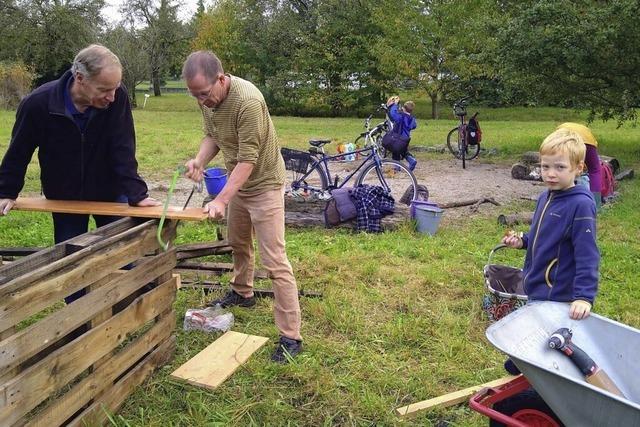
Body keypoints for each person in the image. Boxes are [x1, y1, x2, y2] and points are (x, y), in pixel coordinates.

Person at [0, 44, 159, 301]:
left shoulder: (115, 101)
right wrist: (6, 191)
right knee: (71, 264)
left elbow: (123, 147)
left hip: (109, 190)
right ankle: (78, 326)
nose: (112, 96)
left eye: (116, 88)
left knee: (124, 254)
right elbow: (19, 149)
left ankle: (130, 310)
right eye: (104, 89)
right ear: (80, 78)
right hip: (65, 195)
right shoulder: (39, 104)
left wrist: (136, 193)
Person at [181, 51, 302, 363]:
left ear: (221, 80)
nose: (200, 102)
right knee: (238, 243)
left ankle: (291, 336)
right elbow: (213, 136)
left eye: (204, 94)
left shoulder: (248, 102)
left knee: (275, 261)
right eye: (194, 96)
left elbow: (248, 159)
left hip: (263, 185)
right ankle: (242, 292)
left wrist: (221, 198)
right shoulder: (208, 100)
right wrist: (199, 160)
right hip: (239, 185)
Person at [502, 127, 599, 320]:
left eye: (560, 167)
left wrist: (584, 297)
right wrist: (523, 241)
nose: (551, 174)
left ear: (578, 168)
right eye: (545, 167)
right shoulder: (545, 197)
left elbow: (587, 254)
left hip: (558, 294)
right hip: (536, 287)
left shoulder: (581, 205)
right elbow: (543, 238)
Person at [557, 122, 603, 209]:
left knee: (563, 167)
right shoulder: (588, 134)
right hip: (588, 141)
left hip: (564, 139)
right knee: (595, 170)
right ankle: (596, 204)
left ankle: (561, 198)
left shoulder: (560, 129)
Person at [386, 95, 418, 171]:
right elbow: (414, 126)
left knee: (395, 150)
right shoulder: (412, 119)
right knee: (403, 151)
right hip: (406, 138)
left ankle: (397, 167)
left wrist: (395, 104)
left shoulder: (401, 117)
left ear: (403, 108)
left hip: (398, 137)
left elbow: (393, 114)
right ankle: (411, 160)